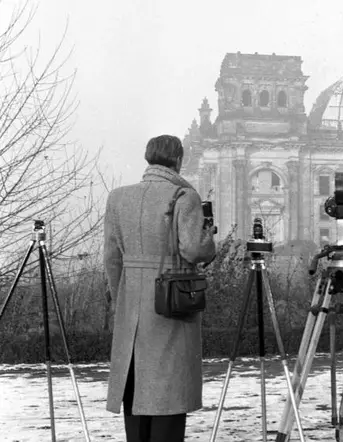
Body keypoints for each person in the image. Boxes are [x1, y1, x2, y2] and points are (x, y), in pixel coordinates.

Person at [103, 135, 216, 441]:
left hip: (132, 303)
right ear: (178, 160)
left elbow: (111, 260)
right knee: (168, 392)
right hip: (170, 303)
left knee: (135, 387)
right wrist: (208, 237)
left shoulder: (118, 197)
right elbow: (193, 250)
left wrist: (123, 298)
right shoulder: (184, 196)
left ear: (148, 158)